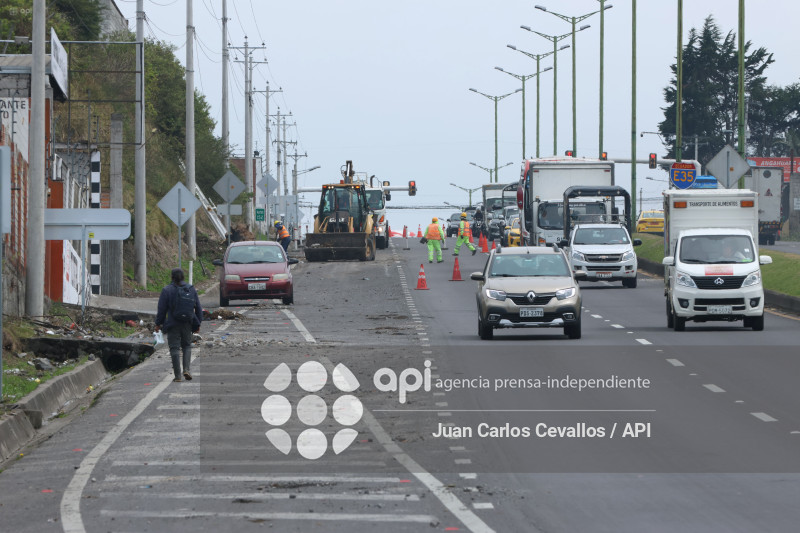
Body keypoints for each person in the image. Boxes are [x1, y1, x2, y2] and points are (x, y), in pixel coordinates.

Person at [155, 268, 203, 382]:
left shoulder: (167, 290)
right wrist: (198, 324)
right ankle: (186, 369)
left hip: (172, 323)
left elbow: (162, 309)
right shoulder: (191, 289)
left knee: (174, 348)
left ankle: (177, 376)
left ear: (172, 277)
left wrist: (158, 324)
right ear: (183, 277)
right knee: (186, 346)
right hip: (187, 323)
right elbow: (198, 308)